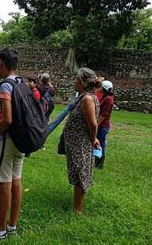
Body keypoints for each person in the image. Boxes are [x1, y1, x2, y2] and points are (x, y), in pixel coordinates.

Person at [0, 48, 24, 239]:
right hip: (21, 140)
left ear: (1, 63)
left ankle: (0, 230)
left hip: (6, 140)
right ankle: (12, 226)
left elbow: (7, 118)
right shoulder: (22, 82)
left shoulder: (5, 86)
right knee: (16, 182)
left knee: (4, 184)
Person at [61, 68, 100, 214]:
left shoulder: (87, 99)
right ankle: (77, 205)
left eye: (77, 79)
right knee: (78, 171)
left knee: (80, 173)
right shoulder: (83, 96)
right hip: (76, 141)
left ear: (83, 82)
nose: (75, 82)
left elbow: (93, 123)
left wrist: (92, 138)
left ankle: (78, 209)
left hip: (81, 142)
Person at [95, 80, 114, 169]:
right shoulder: (106, 97)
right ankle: (96, 162)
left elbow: (104, 114)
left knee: (101, 144)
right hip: (102, 125)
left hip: (103, 125)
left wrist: (96, 125)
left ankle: (99, 164)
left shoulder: (108, 99)